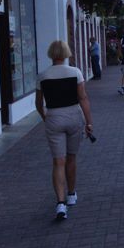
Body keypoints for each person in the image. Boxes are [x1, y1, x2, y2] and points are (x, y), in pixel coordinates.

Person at [35, 40, 94, 220]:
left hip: (54, 117)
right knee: (71, 158)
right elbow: (83, 98)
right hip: (73, 116)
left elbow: (38, 103)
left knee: (58, 161)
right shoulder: (75, 72)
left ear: (51, 54)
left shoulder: (43, 76)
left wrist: (45, 117)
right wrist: (89, 122)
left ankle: (60, 204)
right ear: (67, 53)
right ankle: (71, 194)